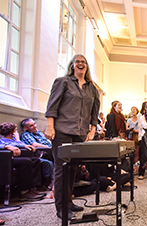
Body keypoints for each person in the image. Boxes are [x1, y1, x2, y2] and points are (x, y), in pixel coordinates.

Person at [45, 54, 100, 219]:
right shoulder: (63, 82)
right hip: (62, 130)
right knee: (62, 170)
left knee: (73, 170)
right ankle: (61, 208)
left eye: (83, 62)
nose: (81, 64)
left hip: (80, 133)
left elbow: (94, 112)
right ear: (72, 65)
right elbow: (52, 105)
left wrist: (92, 130)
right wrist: (50, 126)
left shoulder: (92, 88)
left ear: (87, 66)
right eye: (78, 61)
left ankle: (69, 202)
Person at [0, 122, 46, 201]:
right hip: (6, 159)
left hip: (15, 158)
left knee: (35, 160)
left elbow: (18, 144)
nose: (17, 132)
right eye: (15, 131)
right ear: (12, 132)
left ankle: (33, 188)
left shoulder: (14, 140)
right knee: (26, 162)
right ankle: (24, 191)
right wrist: (7, 146)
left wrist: (24, 145)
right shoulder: (3, 140)